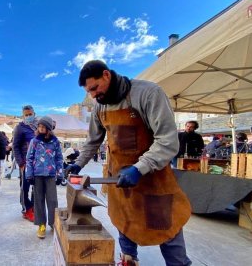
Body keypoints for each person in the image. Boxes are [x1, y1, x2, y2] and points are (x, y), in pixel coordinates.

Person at [66, 60, 192, 266]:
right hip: (120, 181)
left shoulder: (148, 93)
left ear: (106, 75)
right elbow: (92, 141)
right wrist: (78, 164)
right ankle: (128, 260)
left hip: (154, 182)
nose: (94, 95)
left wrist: (139, 168)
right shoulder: (99, 106)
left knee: (167, 230)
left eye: (95, 88)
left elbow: (168, 141)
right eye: (89, 92)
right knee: (124, 222)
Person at [25, 116, 63, 239]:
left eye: (43, 127)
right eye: (39, 127)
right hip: (37, 175)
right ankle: (41, 224)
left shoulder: (55, 142)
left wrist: (60, 174)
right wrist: (29, 174)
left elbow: (59, 158)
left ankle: (53, 223)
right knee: (39, 200)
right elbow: (29, 158)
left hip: (51, 175)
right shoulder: (34, 141)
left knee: (52, 200)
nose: (40, 129)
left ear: (48, 129)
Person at [13, 105, 37, 222]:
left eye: (30, 114)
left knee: (36, 187)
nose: (28, 116)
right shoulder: (20, 128)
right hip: (25, 163)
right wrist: (21, 163)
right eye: (26, 115)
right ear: (23, 115)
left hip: (38, 164)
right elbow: (15, 146)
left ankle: (33, 207)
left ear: (34, 113)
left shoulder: (39, 127)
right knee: (25, 188)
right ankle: (26, 209)